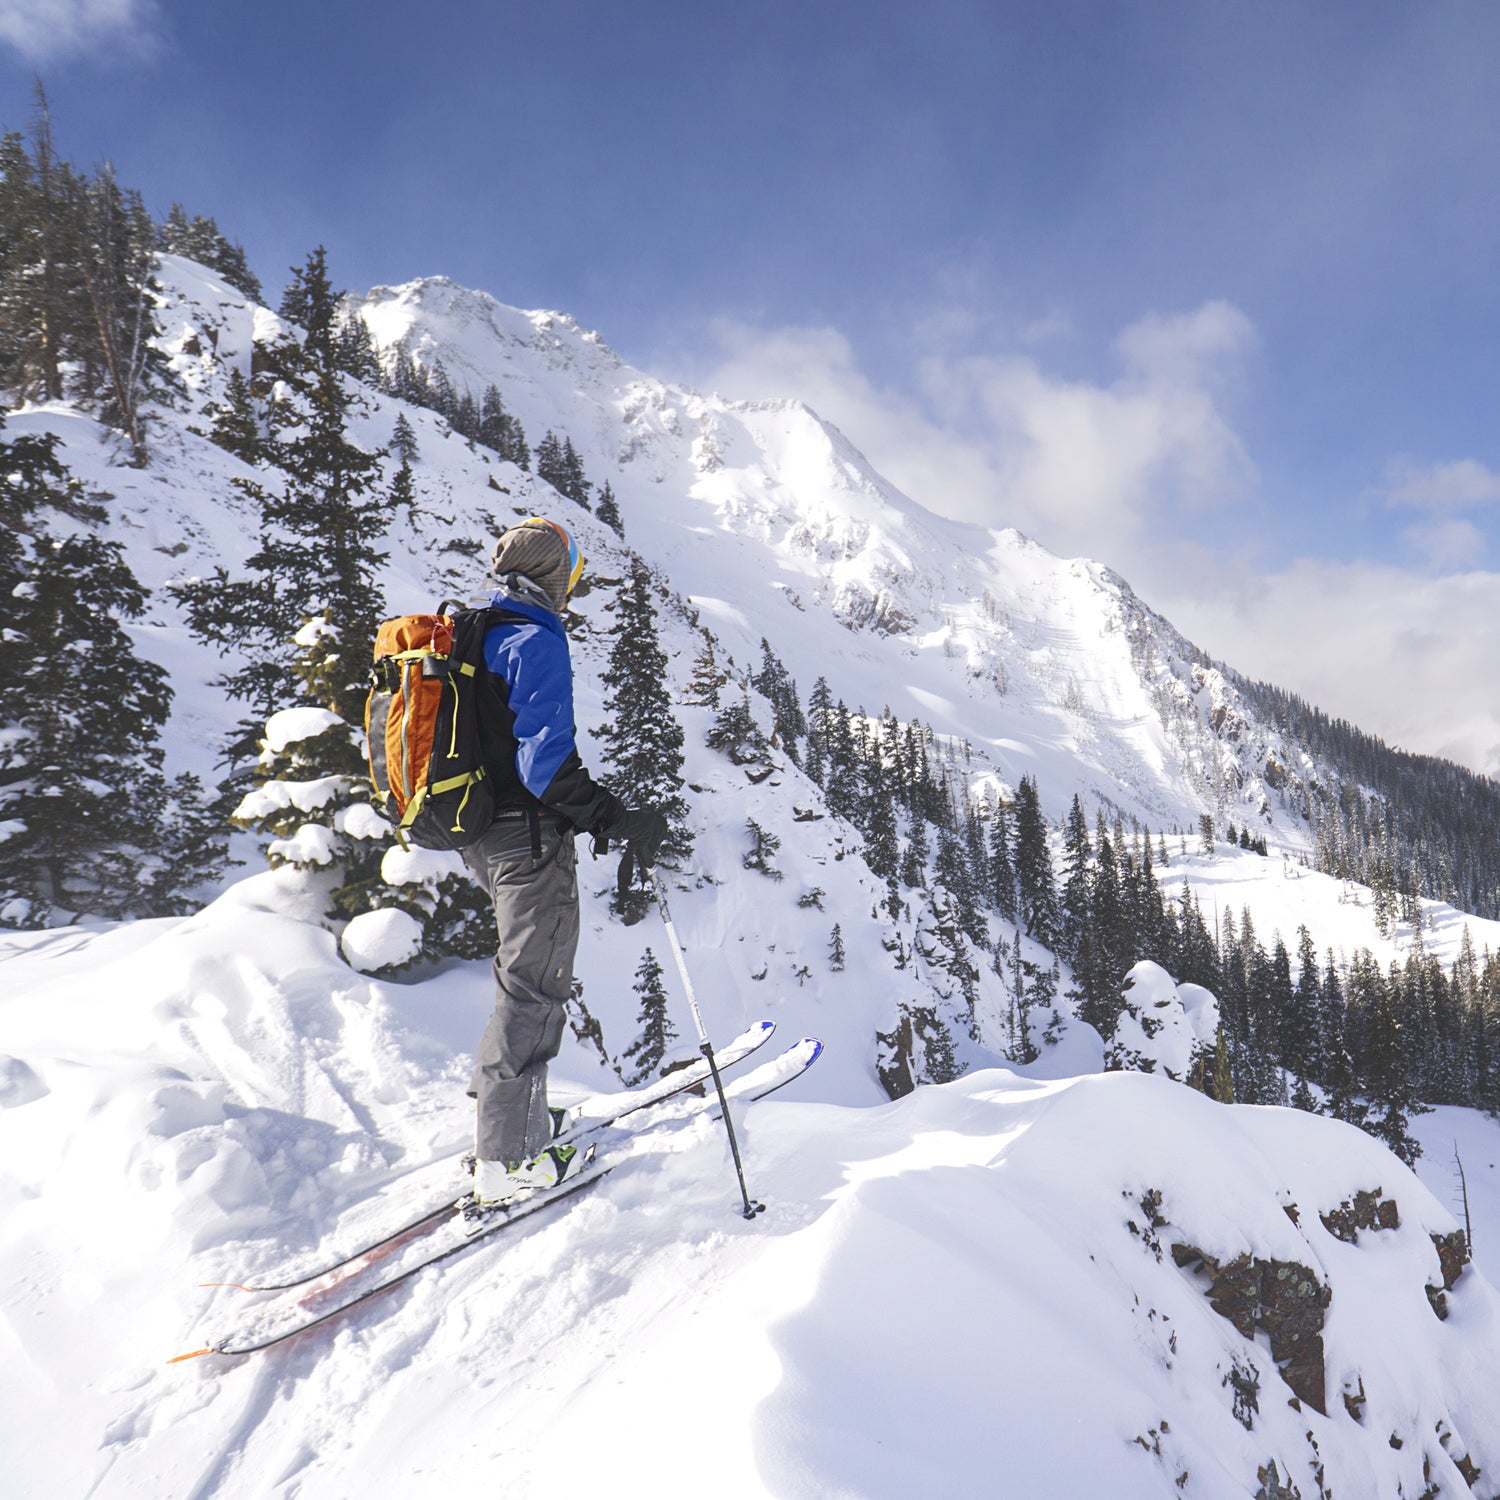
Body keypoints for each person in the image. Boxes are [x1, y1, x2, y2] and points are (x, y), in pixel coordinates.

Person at [463, 516, 668, 1206]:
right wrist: (613, 816)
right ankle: (509, 1161)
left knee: (523, 978)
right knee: (534, 985)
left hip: (486, 837)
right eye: (571, 573)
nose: (574, 586)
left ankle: (516, 1121)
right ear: (553, 575)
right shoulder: (531, 639)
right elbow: (544, 764)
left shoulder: (484, 630)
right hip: (526, 839)